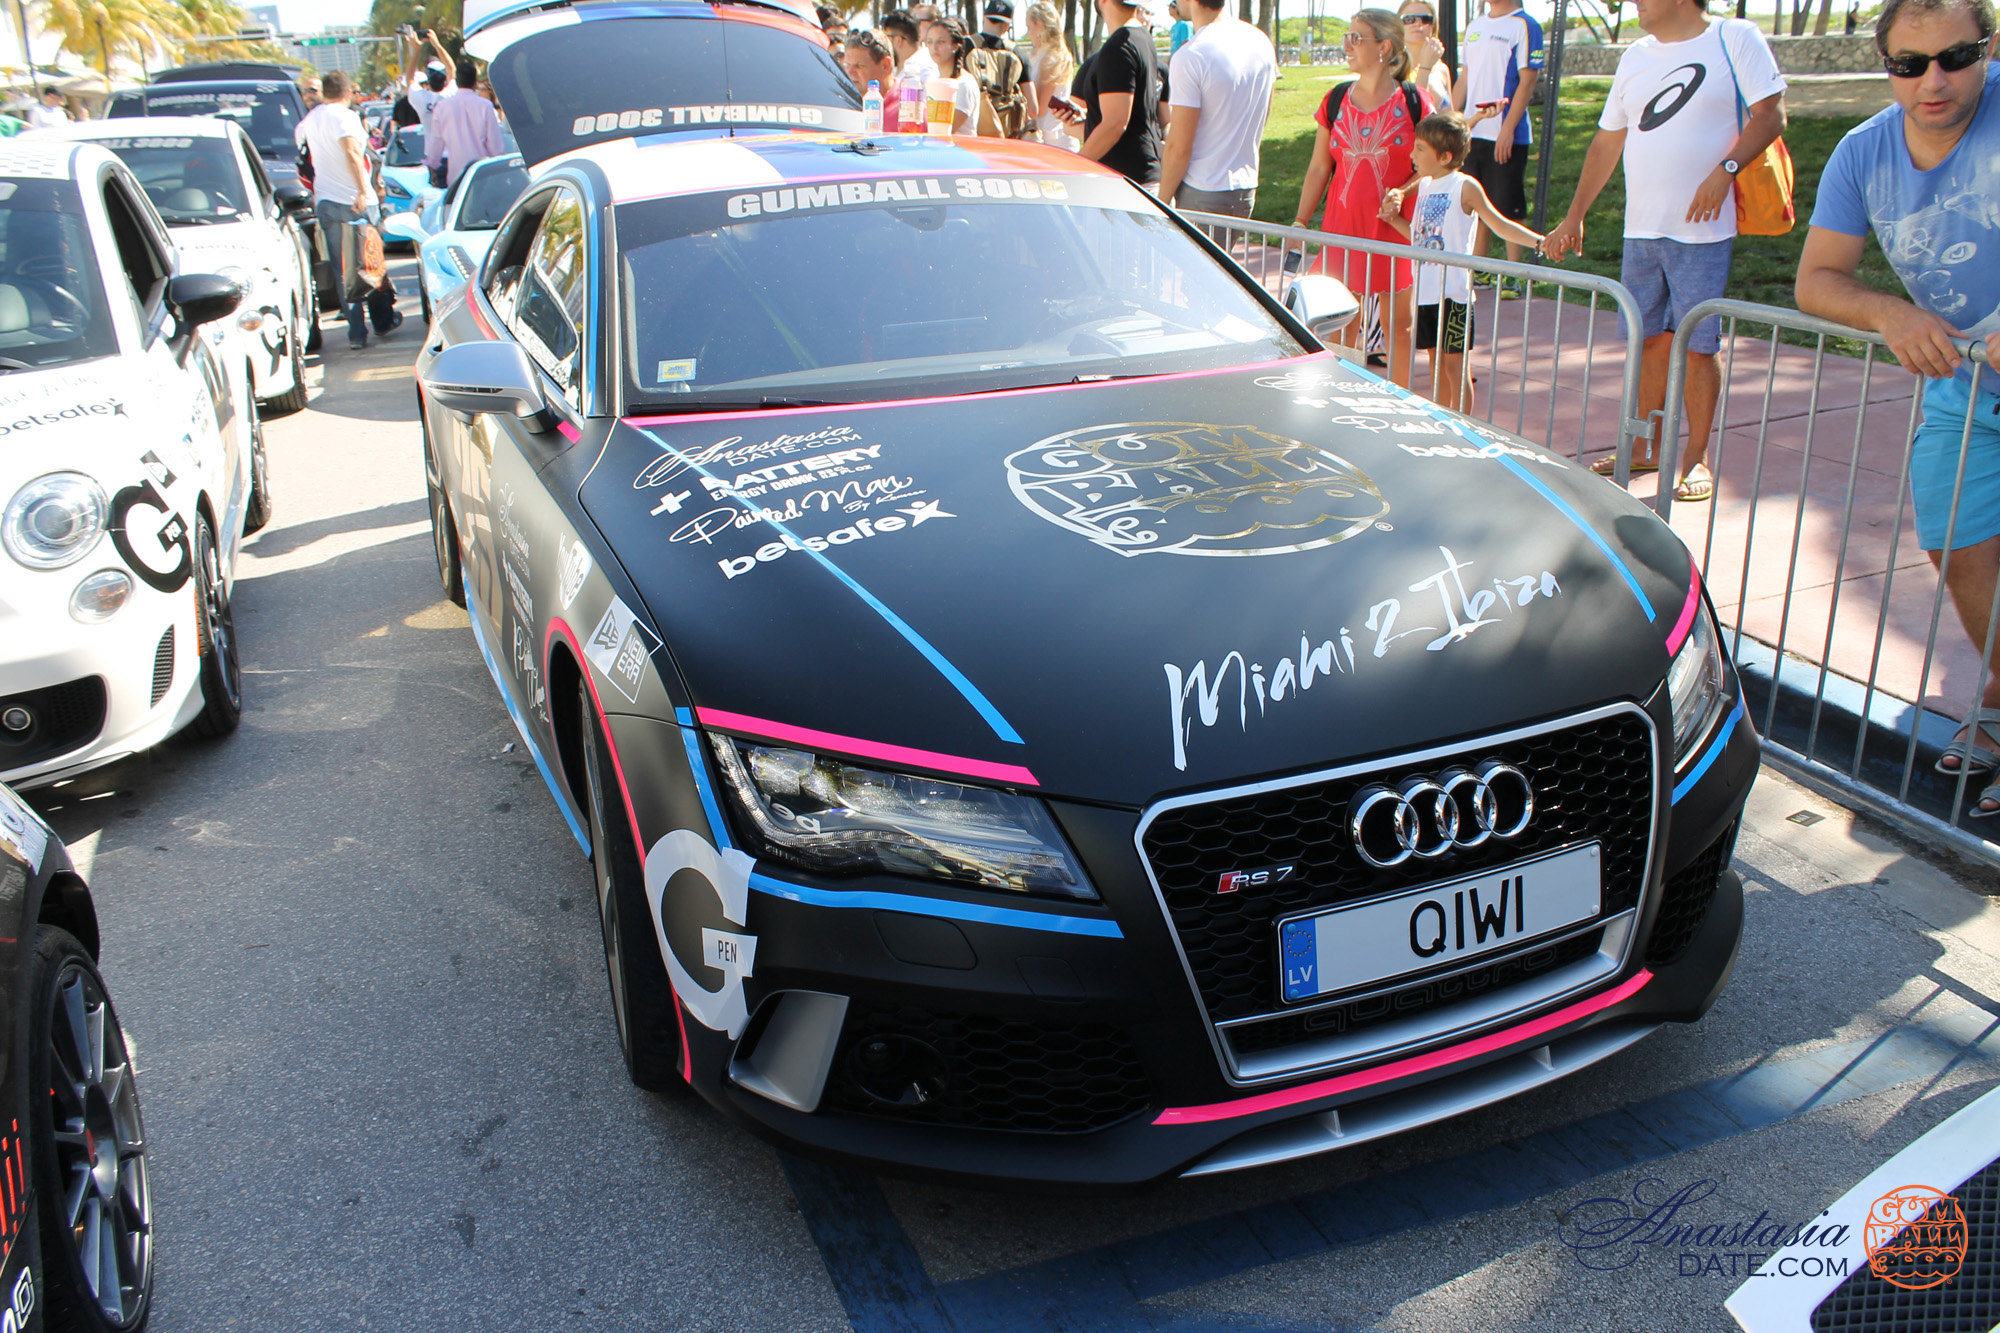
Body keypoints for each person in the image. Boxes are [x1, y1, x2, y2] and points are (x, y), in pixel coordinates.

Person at [1795, 0, 2000, 805]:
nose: (1933, 81)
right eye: (1909, 65)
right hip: (1967, 386)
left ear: (1987, 47)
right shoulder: (1862, 151)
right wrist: (1891, 314)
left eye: (1956, 57)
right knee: (1958, 542)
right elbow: (1816, 279)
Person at [1544, 0, 1785, 502]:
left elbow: (1771, 115)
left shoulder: (1735, 37)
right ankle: (1643, 448)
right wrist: (1574, 214)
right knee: (1648, 340)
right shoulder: (1635, 55)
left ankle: (1696, 458)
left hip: (1702, 232)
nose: (1634, 3)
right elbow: (1607, 141)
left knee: (1698, 345)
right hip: (1641, 230)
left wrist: (1727, 170)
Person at [1291, 8, 1431, 387]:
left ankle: (1397, 404)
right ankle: (1339, 395)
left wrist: (1403, 191)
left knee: (1397, 328)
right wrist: (1301, 220)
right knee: (1340, 327)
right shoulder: (1336, 99)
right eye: (1347, 37)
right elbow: (1319, 167)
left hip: (1393, 231)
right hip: (1342, 230)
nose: (1347, 45)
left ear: (1384, 47)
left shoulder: (1415, 101)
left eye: (1357, 38)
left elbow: (1433, 165)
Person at [1380, 109, 1546, 411]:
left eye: (1420, 149)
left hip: (1453, 294)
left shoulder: (1464, 186)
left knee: (1455, 367)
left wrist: (1540, 242)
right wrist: (1393, 220)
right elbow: (1420, 238)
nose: (1412, 155)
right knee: (1435, 364)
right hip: (1426, 293)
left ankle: (1462, 425)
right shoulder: (1425, 185)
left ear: (1444, 157)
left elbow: (1499, 224)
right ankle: (1441, 420)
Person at [298, 70, 401, 350]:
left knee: (342, 269)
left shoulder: (310, 119)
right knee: (370, 262)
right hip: (355, 201)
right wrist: (362, 190)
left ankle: (356, 333)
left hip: (325, 200)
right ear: (347, 93)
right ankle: (382, 321)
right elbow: (353, 153)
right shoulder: (345, 117)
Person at [1156, 0, 1277, 219]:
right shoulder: (1260, 41)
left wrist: (1160, 203)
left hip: (1202, 189)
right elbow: (1265, 110)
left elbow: (1179, 148)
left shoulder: (1191, 55)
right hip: (1245, 187)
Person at [1451, 0, 1542, 288]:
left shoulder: (1525, 25)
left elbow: (1528, 81)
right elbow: (1466, 77)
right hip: (1472, 131)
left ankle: (1515, 275)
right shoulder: (1475, 26)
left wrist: (1507, 129)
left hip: (1505, 133)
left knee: (1507, 204)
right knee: (1475, 203)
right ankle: (1480, 269)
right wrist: (1450, 121)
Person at [1053, 0, 1162, 185]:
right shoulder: (1141, 37)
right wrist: (1089, 116)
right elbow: (1133, 116)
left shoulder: (1119, 46)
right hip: (1141, 173)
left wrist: (1077, 166)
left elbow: (1115, 124)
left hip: (1127, 179)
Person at [425, 60, 505, 189]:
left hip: (456, 175)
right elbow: (495, 145)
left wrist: (433, 164)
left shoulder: (442, 107)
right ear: (475, 82)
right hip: (482, 173)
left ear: (457, 81)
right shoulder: (485, 106)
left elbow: (436, 141)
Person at [969, 0, 1036, 138]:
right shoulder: (1018, 54)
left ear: (985, 17)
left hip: (973, 134)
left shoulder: (965, 47)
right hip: (1007, 137)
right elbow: (1033, 109)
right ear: (1007, 25)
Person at [1026, 2, 1078, 150]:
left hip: (1054, 140)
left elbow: (1040, 107)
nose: (1028, 33)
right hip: (1054, 136)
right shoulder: (1051, 54)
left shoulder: (1049, 59)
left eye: (1029, 27)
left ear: (1039, 26)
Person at [843, 30, 905, 128]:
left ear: (885, 65)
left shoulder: (908, 110)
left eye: (859, 65)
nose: (850, 72)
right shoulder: (843, 106)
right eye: (847, 65)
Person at [1399, 0, 1453, 107]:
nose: (1418, 24)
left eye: (1426, 19)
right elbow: (1414, 109)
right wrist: (1425, 68)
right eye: (1409, 19)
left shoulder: (1441, 69)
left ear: (1433, 26)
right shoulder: (1391, 68)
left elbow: (1450, 114)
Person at [882, 11, 941, 92]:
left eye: (886, 37)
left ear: (898, 40)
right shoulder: (895, 68)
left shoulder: (925, 68)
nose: (885, 44)